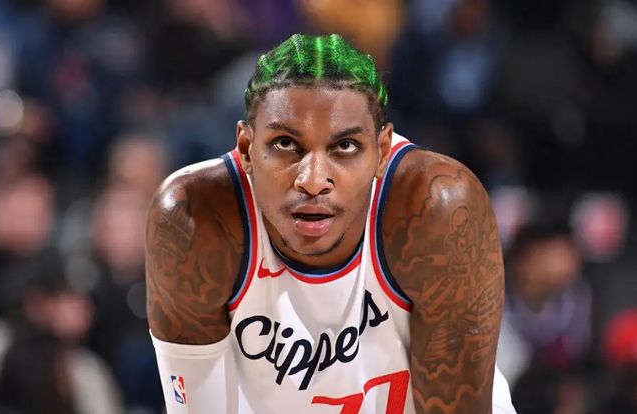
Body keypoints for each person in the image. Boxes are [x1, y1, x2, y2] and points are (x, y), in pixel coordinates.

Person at [146, 33, 516, 413]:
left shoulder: (435, 209)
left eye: (345, 147)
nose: (312, 180)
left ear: (382, 152)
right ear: (246, 149)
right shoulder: (194, 219)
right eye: (286, 144)